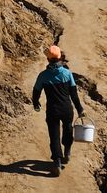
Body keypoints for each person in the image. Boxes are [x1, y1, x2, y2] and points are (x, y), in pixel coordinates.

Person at [31, 44, 85, 177]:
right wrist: (80, 109)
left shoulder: (43, 76)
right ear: (60, 58)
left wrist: (36, 103)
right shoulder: (67, 73)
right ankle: (67, 151)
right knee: (67, 129)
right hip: (67, 109)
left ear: (48, 60)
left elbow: (36, 91)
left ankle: (57, 163)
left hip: (52, 110)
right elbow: (74, 94)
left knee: (54, 135)